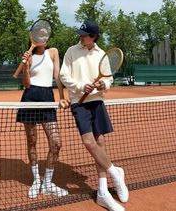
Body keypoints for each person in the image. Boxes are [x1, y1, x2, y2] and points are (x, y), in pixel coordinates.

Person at [60, 21, 129, 211]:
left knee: (100, 143)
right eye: (81, 34)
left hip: (97, 101)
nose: (81, 37)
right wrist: (82, 86)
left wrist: (102, 85)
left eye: (84, 34)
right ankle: (116, 173)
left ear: (94, 37)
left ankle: (102, 192)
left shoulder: (101, 54)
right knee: (89, 142)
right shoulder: (71, 51)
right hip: (79, 103)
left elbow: (109, 79)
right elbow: (63, 75)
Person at [17, 43, 69, 199]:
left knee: (56, 142)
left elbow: (57, 75)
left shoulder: (53, 52)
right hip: (30, 98)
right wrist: (26, 66)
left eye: (45, 33)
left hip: (47, 97)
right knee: (32, 141)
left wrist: (61, 97)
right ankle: (36, 181)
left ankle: (47, 183)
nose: (43, 36)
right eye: (40, 33)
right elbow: (26, 84)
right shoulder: (29, 56)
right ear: (34, 37)